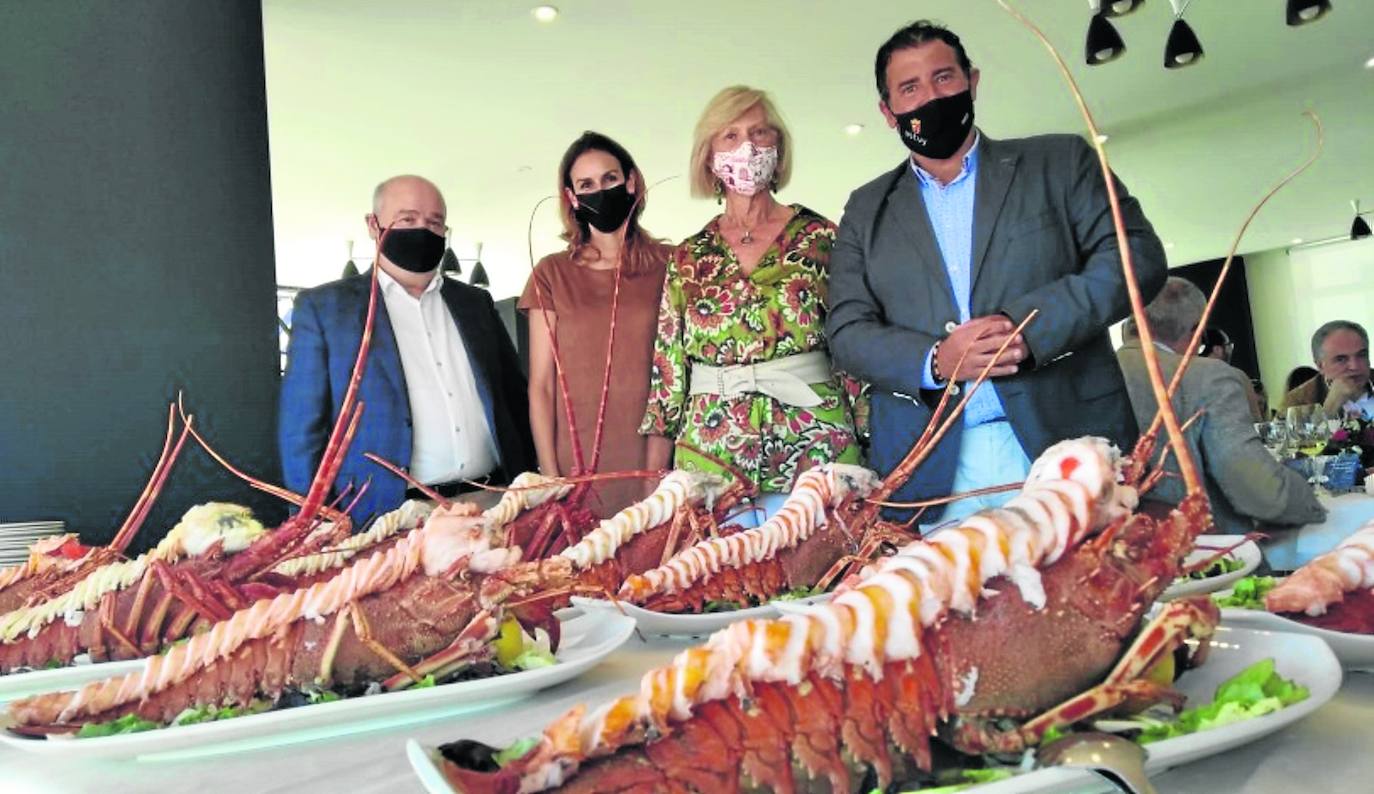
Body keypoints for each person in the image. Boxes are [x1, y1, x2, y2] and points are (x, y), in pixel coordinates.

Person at [827, 20, 1166, 524]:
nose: (930, 97)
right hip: (929, 468)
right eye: (910, 88)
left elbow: (1136, 257)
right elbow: (847, 331)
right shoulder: (865, 209)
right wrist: (936, 360)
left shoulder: (1060, 162)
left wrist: (1030, 328)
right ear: (887, 111)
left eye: (944, 78)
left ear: (972, 81)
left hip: (1063, 444)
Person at [639, 86, 865, 510]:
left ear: (778, 146)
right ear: (708, 157)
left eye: (759, 132)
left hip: (816, 444)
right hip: (713, 457)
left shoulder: (821, 237)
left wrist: (874, 449)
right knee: (720, 573)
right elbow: (667, 376)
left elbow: (853, 349)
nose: (747, 147)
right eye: (730, 136)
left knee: (827, 572)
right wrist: (653, 493)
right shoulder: (688, 256)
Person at [280, 175, 535, 525]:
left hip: (494, 503)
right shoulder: (325, 308)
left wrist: (533, 484)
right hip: (385, 516)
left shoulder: (476, 303)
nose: (423, 230)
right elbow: (302, 431)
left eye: (435, 222)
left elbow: (514, 399)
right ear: (374, 224)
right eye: (408, 219)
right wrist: (308, 524)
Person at [519, 132, 672, 516]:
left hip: (657, 458)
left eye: (610, 179)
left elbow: (677, 374)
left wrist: (658, 473)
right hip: (577, 465)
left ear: (631, 181)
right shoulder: (551, 273)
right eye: (586, 184)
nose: (600, 191)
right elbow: (541, 384)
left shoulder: (672, 264)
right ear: (571, 197)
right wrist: (551, 478)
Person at [1117, 278, 1325, 533]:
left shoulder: (1077, 379)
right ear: (1197, 327)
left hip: (1106, 558)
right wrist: (1311, 504)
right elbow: (1257, 488)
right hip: (1208, 555)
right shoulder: (1207, 376)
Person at [1280, 320, 1374, 419]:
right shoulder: (1297, 401)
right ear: (1320, 366)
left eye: (1361, 355)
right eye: (1341, 359)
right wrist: (1329, 409)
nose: (1354, 366)